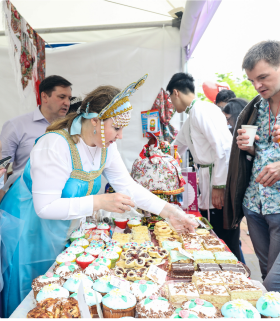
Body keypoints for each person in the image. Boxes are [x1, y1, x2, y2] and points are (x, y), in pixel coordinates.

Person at [0, 75, 197, 318]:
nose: (121, 135)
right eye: (117, 127)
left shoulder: (106, 147)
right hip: (27, 227)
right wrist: (100, 201)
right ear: (95, 121)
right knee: (30, 295)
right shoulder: (55, 145)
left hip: (58, 228)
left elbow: (128, 186)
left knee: (57, 295)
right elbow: (45, 207)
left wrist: (171, 212)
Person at [224, 40, 280, 292]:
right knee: (267, 270)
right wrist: (249, 148)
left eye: (263, 77)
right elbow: (264, 153)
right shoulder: (256, 107)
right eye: (251, 81)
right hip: (255, 204)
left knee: (272, 284)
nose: (257, 86)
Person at [169, 73, 242, 261]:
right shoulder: (192, 114)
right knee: (213, 234)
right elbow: (177, 146)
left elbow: (224, 149)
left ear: (175, 93)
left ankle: (242, 278)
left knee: (226, 239)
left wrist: (219, 186)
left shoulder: (203, 110)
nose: (170, 103)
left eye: (170, 98)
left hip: (218, 179)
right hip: (207, 177)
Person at [0, 75, 72, 191]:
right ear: (44, 96)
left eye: (69, 98)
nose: (67, 103)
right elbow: (2, 167)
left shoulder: (72, 128)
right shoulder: (16, 125)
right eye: (62, 97)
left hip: (63, 200)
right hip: (24, 199)